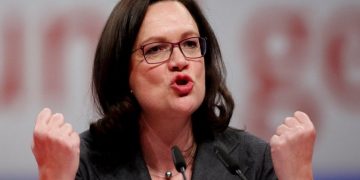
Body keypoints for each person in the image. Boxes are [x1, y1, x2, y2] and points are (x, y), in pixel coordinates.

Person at [31, 0, 316, 179]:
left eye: (190, 44)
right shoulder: (84, 165)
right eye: (156, 49)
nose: (180, 61)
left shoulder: (251, 163)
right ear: (123, 72)